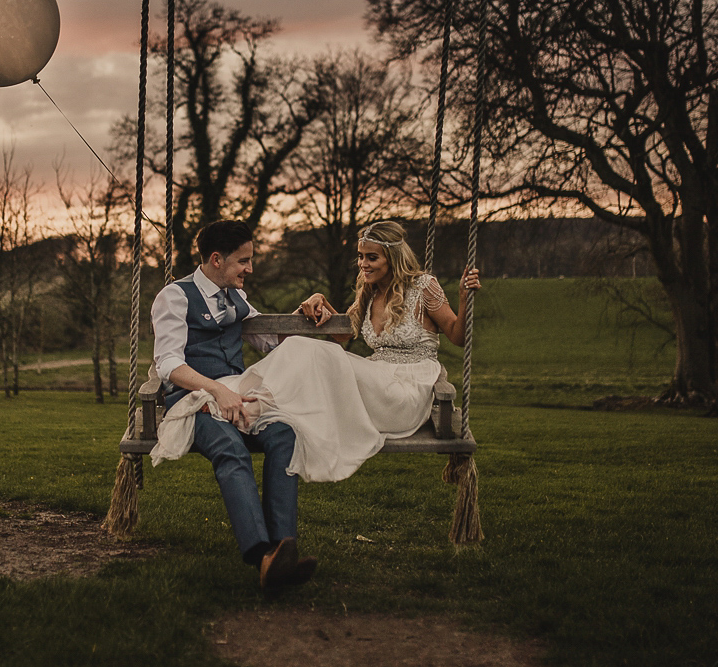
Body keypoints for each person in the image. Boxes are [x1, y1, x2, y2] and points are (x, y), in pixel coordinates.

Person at [152, 220, 480, 485]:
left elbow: (457, 335)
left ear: (392, 259)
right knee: (308, 358)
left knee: (306, 353)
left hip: (407, 389)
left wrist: (465, 298)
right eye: (361, 256)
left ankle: (248, 405)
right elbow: (338, 337)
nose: (363, 264)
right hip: (377, 380)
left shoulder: (424, 286)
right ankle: (249, 403)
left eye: (372, 258)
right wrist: (318, 299)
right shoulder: (369, 292)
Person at [150, 220, 316, 594]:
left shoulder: (236, 298)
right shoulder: (175, 297)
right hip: (194, 402)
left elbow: (273, 343)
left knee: (284, 436)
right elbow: (169, 365)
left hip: (237, 397)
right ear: (216, 259)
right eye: (244, 261)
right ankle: (263, 556)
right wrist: (216, 392)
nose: (250, 269)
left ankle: (283, 549)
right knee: (230, 448)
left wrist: (307, 310)